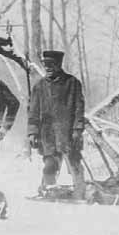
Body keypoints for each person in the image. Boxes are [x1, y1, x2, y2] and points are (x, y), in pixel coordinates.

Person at [28, 51, 86, 199]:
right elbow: (33, 112)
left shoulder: (72, 83)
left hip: (68, 133)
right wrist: (32, 132)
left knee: (74, 165)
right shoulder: (39, 87)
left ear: (59, 65)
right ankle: (48, 192)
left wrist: (77, 129)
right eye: (45, 65)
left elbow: (79, 109)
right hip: (47, 135)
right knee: (49, 166)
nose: (48, 68)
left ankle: (80, 195)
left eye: (51, 65)